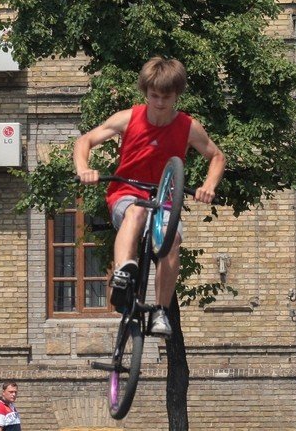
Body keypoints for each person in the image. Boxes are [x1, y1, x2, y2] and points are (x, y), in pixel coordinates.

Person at [73, 56, 226, 338]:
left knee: (172, 239)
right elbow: (85, 141)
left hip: (165, 198)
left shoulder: (188, 127)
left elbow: (216, 156)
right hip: (126, 192)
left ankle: (160, 310)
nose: (158, 103)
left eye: (165, 97)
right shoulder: (127, 118)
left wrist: (208, 185)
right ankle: (122, 274)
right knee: (136, 212)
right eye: (153, 96)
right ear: (146, 93)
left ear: (176, 96)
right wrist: (84, 169)